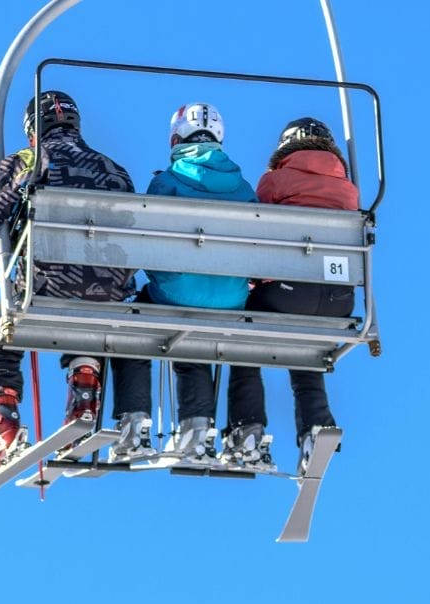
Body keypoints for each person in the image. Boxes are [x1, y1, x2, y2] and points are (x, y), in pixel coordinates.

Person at [0, 90, 138, 483]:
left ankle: (4, 431)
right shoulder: (113, 170)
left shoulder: (31, 160)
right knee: (86, 319)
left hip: (44, 283)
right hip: (106, 289)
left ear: (32, 131)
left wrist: (9, 232)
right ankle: (84, 402)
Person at [109, 102, 258, 465]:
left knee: (136, 322)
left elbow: (145, 240)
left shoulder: (167, 182)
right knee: (197, 334)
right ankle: (197, 429)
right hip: (232, 299)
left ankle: (136, 423)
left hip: (176, 293)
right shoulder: (244, 188)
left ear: (176, 138)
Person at [224, 117, 360, 473]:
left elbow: (259, 232)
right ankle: (316, 426)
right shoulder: (349, 190)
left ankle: (247, 428)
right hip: (338, 299)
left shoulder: (275, 181)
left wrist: (254, 281)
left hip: (287, 291)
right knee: (307, 353)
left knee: (242, 340)